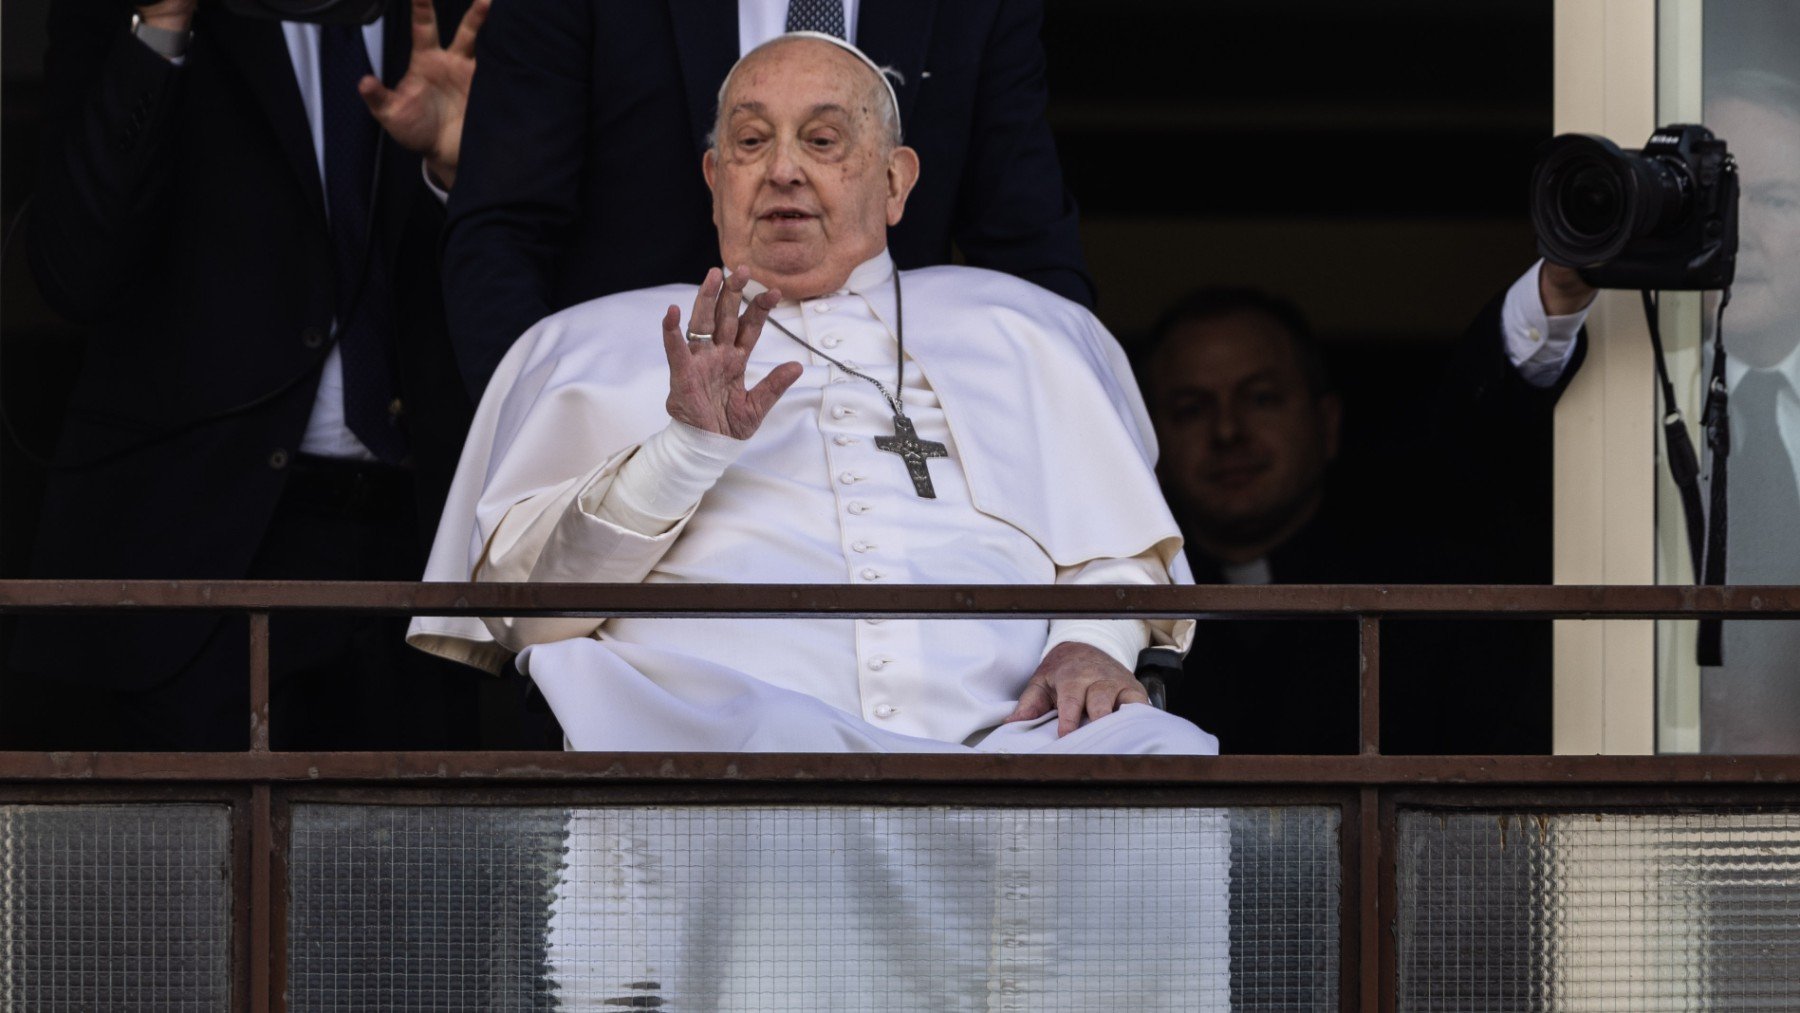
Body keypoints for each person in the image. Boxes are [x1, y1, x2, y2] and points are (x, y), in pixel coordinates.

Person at [412, 34, 1226, 1007]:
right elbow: (521, 605)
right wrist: (682, 449)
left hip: (1013, 742)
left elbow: (1116, 549)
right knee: (780, 783)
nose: (784, 168)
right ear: (714, 179)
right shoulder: (588, 346)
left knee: (1158, 764)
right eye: (751, 142)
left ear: (896, 180)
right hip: (741, 744)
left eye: (825, 139)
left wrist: (1097, 642)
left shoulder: (1017, 331)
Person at [1, 0, 488, 751]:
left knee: (403, 865)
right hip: (194, 555)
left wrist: (454, 174)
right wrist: (161, 27)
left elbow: (522, 284)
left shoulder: (452, 19)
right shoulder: (127, 12)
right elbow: (72, 272)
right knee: (202, 864)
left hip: (416, 556)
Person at [441, 0, 1093, 399]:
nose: (784, 170)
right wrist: (553, 432)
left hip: (898, 444)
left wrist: (1051, 441)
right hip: (635, 428)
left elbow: (1029, 253)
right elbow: (504, 235)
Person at [1140, 272, 1592, 755]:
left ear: (1327, 423)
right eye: (1191, 408)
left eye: (1261, 398)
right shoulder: (1131, 610)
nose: (1227, 431)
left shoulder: (1432, 596)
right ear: (1149, 442)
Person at [1525, 69, 1800, 752]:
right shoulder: (1608, 375)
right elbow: (1462, 453)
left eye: (1776, 200)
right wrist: (1564, 286)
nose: (1740, 227)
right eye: (1719, 195)